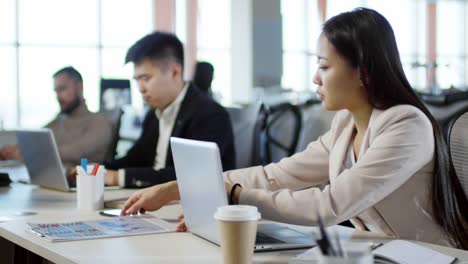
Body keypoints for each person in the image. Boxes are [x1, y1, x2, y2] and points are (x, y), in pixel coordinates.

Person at [119, 8, 468, 249]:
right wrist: (181, 187)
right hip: (383, 251)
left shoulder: (407, 126)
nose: (315, 78)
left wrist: (235, 196)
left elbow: (329, 206)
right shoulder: (347, 124)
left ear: (363, 71)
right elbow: (277, 175)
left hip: (430, 255)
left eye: (324, 66)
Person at [102, 31, 235, 188]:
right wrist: (97, 170)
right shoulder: (154, 114)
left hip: (193, 206)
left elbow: (191, 175)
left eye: (146, 78)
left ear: (175, 72)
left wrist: (119, 177)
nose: (140, 89)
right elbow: (136, 158)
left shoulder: (210, 114)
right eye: (137, 80)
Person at [0, 67, 112, 171]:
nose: (58, 96)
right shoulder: (59, 120)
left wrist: (27, 154)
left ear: (79, 87)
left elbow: (75, 152)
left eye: (62, 89)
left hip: (82, 186)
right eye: (56, 91)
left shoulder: (99, 123)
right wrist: (13, 150)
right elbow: (35, 140)